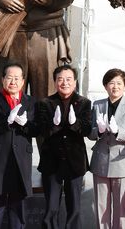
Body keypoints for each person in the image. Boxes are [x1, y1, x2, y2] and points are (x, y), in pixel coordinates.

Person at [0, 62, 38, 229]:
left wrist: (25, 124)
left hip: (21, 158)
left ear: (23, 81)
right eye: (9, 78)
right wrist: (7, 121)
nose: (13, 82)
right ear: (2, 80)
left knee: (18, 206)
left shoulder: (31, 102)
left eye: (16, 78)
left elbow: (37, 129)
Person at [36, 65, 91, 229]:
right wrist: (54, 125)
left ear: (75, 82)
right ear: (55, 82)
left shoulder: (84, 103)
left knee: (74, 207)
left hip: (75, 162)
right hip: (52, 162)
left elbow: (87, 130)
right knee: (51, 208)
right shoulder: (45, 103)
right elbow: (42, 131)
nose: (64, 83)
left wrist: (75, 124)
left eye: (68, 79)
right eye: (60, 79)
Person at [88, 68, 125, 229]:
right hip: (101, 160)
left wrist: (118, 131)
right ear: (105, 86)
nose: (115, 87)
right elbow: (90, 134)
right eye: (111, 83)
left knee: (120, 208)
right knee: (101, 206)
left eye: (119, 83)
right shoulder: (98, 105)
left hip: (122, 162)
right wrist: (99, 130)